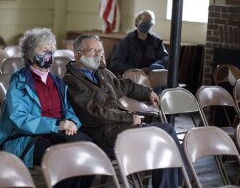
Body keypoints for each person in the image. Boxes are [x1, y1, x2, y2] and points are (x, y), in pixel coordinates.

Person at [63, 34, 181, 188]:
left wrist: (147, 92)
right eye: (93, 51)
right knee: (161, 138)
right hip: (104, 132)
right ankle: (177, 182)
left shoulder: (101, 73)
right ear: (78, 55)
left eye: (100, 51)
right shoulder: (71, 81)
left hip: (122, 127)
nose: (98, 55)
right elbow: (94, 112)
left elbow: (125, 85)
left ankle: (175, 183)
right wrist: (128, 117)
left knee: (167, 131)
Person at [0, 28, 93, 188]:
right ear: (30, 54)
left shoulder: (57, 81)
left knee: (89, 153)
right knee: (64, 160)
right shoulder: (20, 83)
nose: (49, 54)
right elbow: (20, 119)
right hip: (26, 138)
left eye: (51, 50)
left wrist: (72, 122)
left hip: (58, 133)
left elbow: (69, 110)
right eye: (44, 50)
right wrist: (57, 125)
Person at [109, 10, 169, 75]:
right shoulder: (128, 41)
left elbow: (165, 58)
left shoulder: (156, 41)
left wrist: (153, 67)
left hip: (152, 75)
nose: (147, 23)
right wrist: (136, 70)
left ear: (152, 25)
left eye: (149, 21)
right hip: (133, 76)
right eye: (144, 19)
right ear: (137, 21)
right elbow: (115, 63)